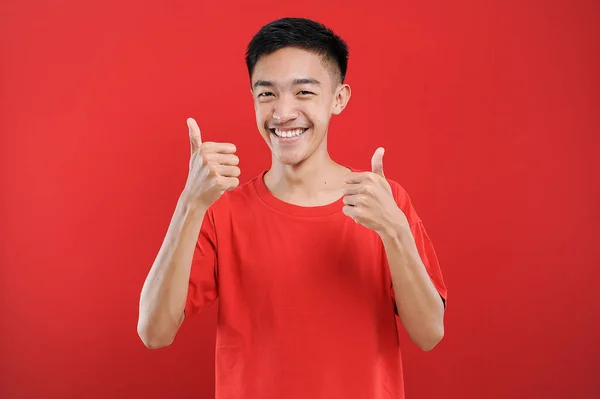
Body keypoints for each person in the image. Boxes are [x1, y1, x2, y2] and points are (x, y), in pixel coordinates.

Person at [137, 17, 447, 399]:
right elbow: (153, 332)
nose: (283, 112)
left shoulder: (385, 202)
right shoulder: (221, 211)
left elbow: (430, 333)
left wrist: (394, 231)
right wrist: (190, 203)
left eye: (303, 93)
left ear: (339, 98)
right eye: (266, 94)